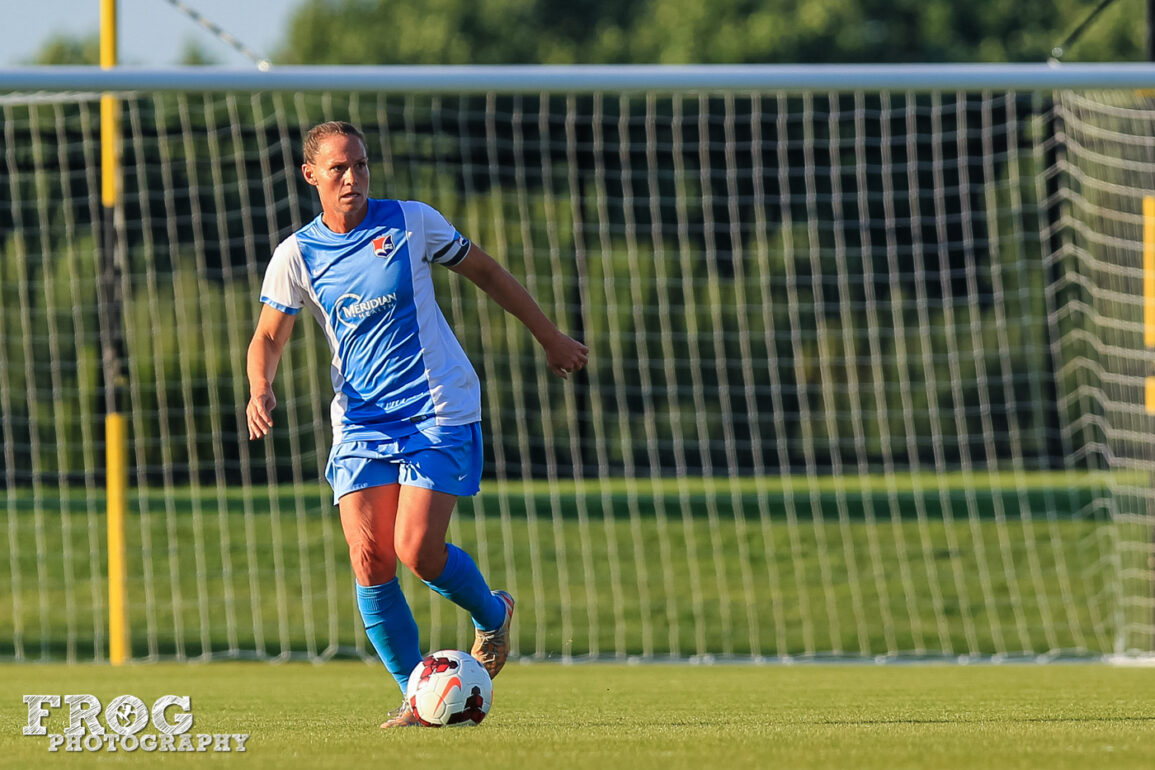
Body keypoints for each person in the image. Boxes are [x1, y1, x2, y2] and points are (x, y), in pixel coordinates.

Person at [245, 121, 589, 728]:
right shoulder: (296, 254)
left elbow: (486, 272)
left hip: (437, 409)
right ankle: (417, 695)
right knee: (371, 558)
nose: (353, 178)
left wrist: (550, 336)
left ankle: (491, 616)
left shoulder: (411, 221)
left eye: (361, 165)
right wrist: (261, 389)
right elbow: (268, 337)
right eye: (338, 170)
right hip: (361, 423)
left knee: (417, 551)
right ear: (310, 176)